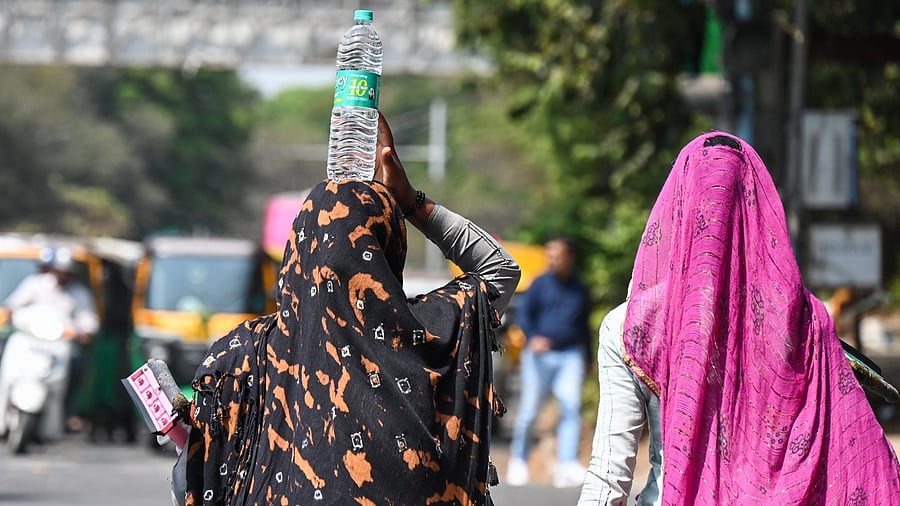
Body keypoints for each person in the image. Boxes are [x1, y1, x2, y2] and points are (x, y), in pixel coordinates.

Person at [175, 111, 521, 506]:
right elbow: (500, 269)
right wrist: (410, 200)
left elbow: (204, 478)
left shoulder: (238, 357)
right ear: (387, 250)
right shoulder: (428, 335)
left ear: (298, 252)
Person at [578, 132, 900, 505]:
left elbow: (609, 475)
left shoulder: (633, 326)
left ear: (679, 205)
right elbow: (852, 453)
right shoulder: (803, 321)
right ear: (759, 207)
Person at [506, 235, 592, 488]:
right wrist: (533, 339)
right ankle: (519, 459)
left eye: (558, 253)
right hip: (539, 357)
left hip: (570, 355)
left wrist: (588, 358)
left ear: (570, 257)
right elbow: (523, 317)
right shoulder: (539, 285)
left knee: (570, 407)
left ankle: (567, 463)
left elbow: (584, 327)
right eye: (550, 253)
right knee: (530, 410)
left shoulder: (580, 289)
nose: (552, 258)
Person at [2, 246, 99, 432]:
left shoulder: (79, 295)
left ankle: (68, 412)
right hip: (29, 342)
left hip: (59, 347)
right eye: (60, 271)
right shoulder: (35, 284)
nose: (63, 276)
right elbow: (13, 305)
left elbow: (88, 321)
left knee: (78, 364)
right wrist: (10, 314)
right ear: (53, 269)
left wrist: (84, 332)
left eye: (67, 273)